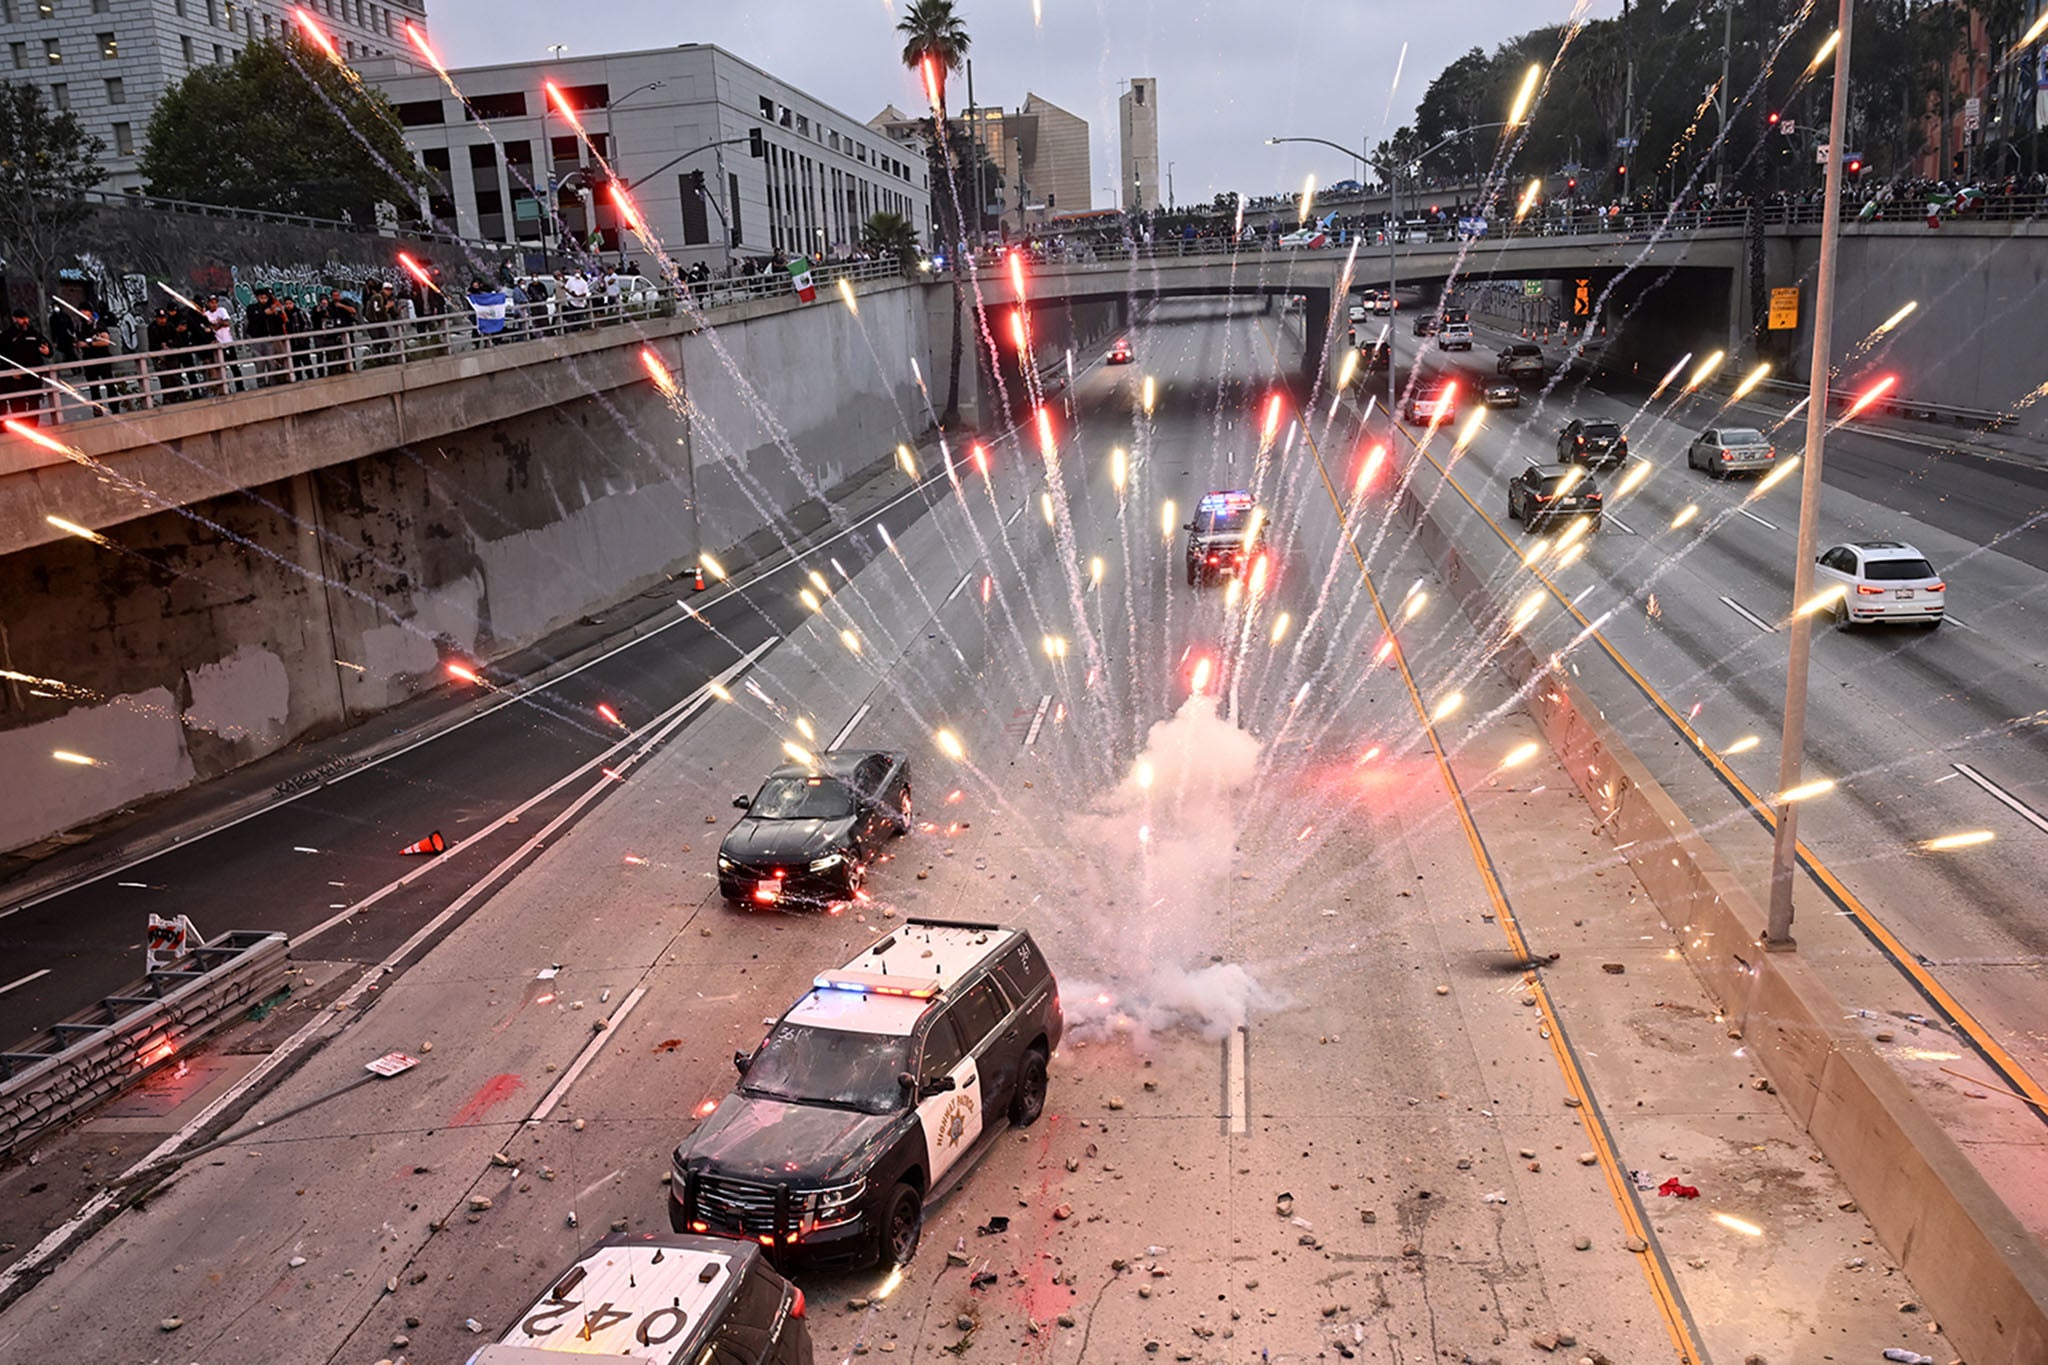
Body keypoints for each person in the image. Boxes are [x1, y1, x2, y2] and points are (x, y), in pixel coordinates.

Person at [0, 307, 53, 421]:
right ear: (15, 319)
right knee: (18, 403)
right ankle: (23, 426)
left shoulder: (34, 333)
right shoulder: (7, 335)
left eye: (26, 318)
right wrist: (10, 370)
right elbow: (2, 356)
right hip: (16, 376)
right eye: (21, 319)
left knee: (34, 401)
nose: (25, 321)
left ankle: (33, 425)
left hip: (33, 374)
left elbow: (48, 349)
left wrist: (47, 352)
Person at [202, 293, 237, 395]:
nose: (214, 305)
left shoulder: (222, 310)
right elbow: (208, 328)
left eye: (215, 302)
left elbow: (226, 322)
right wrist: (219, 324)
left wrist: (216, 325)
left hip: (227, 341)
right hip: (217, 344)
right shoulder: (206, 314)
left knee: (234, 366)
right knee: (220, 368)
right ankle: (225, 388)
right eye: (211, 303)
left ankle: (240, 386)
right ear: (208, 303)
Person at [467, 279, 509, 344]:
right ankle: (475, 343)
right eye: (474, 283)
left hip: (484, 312)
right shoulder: (471, 292)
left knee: (486, 326)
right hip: (475, 313)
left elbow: (490, 292)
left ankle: (487, 341)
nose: (476, 285)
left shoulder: (484, 290)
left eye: (477, 283)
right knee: (476, 328)